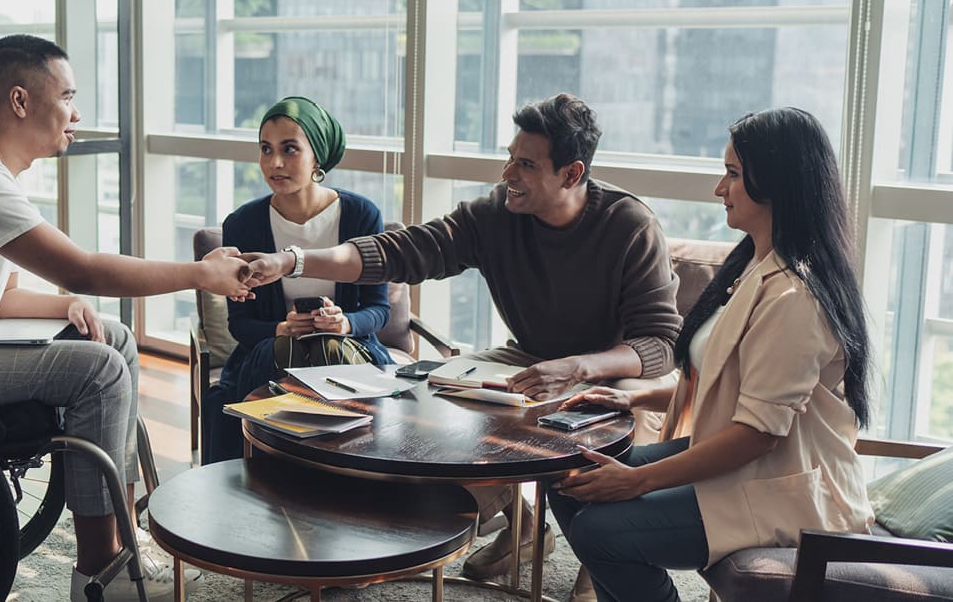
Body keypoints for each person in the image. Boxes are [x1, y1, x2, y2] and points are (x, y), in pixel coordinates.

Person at [0, 34, 251, 602]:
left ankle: (122, 532)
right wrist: (200, 275)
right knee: (100, 373)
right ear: (20, 101)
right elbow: (84, 269)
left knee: (112, 337)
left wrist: (64, 306)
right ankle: (99, 571)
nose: (77, 113)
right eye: (67, 95)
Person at [242, 92, 683, 580]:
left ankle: (596, 567)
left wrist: (580, 368)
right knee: (433, 389)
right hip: (528, 355)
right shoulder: (497, 214)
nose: (507, 174)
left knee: (598, 439)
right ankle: (518, 524)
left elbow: (659, 345)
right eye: (509, 158)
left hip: (610, 368)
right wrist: (294, 260)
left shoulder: (629, 225)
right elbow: (404, 251)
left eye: (526, 164)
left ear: (572, 174)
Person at [547, 107, 874, 602]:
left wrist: (638, 482)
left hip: (785, 489)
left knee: (600, 531)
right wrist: (634, 401)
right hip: (750, 463)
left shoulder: (796, 297)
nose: (719, 189)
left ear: (777, 181)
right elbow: (722, 380)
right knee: (570, 478)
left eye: (733, 174)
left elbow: (758, 435)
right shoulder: (754, 268)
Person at [201, 96, 393, 464]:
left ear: (317, 156)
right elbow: (240, 325)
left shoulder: (361, 215)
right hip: (269, 355)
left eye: (290, 149)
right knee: (293, 354)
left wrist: (346, 323)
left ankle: (315, 478)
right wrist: (281, 329)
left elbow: (379, 310)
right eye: (266, 149)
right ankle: (319, 476)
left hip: (351, 349)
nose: (274, 163)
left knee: (327, 351)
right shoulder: (242, 224)